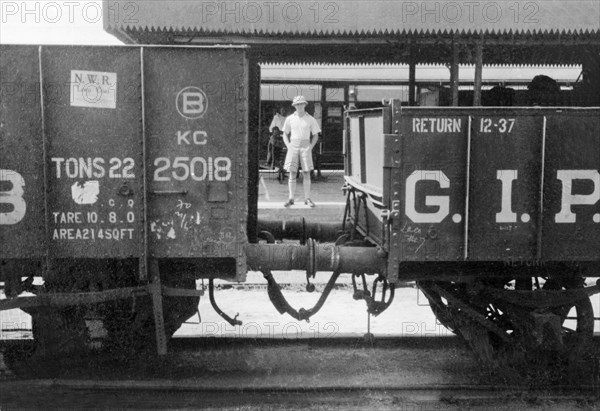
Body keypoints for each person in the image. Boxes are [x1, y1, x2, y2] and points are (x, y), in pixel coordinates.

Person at [282, 96, 321, 208]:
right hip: (293, 145)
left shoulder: (311, 119)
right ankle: (291, 198)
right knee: (292, 172)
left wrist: (310, 147)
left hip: (305, 146)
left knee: (306, 172)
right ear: (294, 106)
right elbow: (285, 133)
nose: (299, 106)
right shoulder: (290, 118)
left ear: (305, 105)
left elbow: (315, 135)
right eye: (297, 104)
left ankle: (307, 198)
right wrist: (288, 145)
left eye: (301, 104)